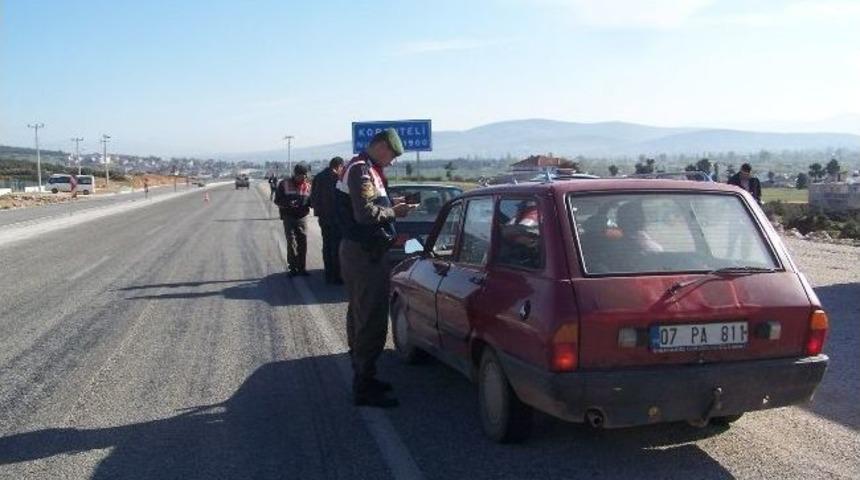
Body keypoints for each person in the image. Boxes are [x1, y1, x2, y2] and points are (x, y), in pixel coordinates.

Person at [336, 128, 412, 408]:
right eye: (391, 154)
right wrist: (396, 212)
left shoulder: (368, 169)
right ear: (380, 146)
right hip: (364, 253)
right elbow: (365, 214)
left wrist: (392, 206)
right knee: (371, 316)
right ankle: (364, 384)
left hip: (364, 251)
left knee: (360, 311)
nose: (392, 160)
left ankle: (364, 373)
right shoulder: (361, 170)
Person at [310, 156, 345, 284]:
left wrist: (319, 211)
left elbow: (312, 198)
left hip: (323, 218)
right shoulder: (338, 178)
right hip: (336, 217)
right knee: (337, 246)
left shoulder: (318, 177)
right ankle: (337, 275)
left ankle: (329, 274)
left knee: (327, 245)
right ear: (339, 166)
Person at [274, 164, 312, 277]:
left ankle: (302, 267)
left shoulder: (308, 185)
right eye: (302, 175)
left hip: (302, 217)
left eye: (306, 175)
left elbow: (312, 201)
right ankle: (293, 268)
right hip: (288, 217)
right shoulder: (284, 184)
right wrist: (287, 204)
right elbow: (277, 200)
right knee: (291, 242)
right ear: (296, 174)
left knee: (303, 242)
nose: (304, 178)